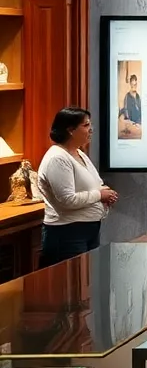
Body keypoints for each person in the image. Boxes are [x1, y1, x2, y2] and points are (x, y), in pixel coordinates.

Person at [37, 108, 117, 267]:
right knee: (71, 286)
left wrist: (105, 192)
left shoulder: (78, 153)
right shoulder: (57, 158)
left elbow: (95, 184)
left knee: (86, 283)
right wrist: (99, 195)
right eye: (86, 125)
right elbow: (67, 200)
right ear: (71, 130)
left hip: (88, 230)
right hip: (68, 234)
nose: (91, 129)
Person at [118, 73, 142, 139]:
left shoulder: (138, 96)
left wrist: (139, 123)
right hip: (131, 124)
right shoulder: (127, 96)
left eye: (135, 84)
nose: (134, 86)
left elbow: (140, 110)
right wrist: (131, 123)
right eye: (132, 85)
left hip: (138, 123)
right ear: (130, 84)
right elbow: (126, 111)